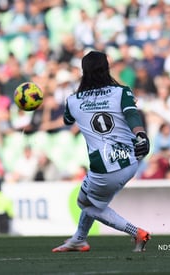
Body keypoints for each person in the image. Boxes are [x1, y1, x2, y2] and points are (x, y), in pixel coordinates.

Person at [52, 51, 151, 253]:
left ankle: (137, 232)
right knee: (94, 199)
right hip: (129, 161)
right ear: (106, 69)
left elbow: (67, 121)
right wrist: (141, 134)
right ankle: (78, 240)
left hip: (104, 167)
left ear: (83, 71)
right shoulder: (122, 92)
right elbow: (132, 115)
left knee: (85, 203)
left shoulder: (73, 100)